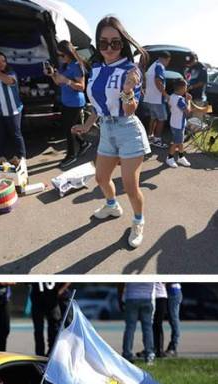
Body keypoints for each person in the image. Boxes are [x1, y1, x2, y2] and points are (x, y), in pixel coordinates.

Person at [72, 16, 151, 249]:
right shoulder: (96, 68)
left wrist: (128, 89)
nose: (109, 48)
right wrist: (87, 126)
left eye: (115, 43)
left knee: (130, 185)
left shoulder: (131, 69)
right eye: (103, 43)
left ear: (123, 43)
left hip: (128, 129)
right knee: (101, 178)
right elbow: (99, 105)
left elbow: (129, 109)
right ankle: (112, 206)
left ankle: (138, 221)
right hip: (106, 129)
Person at [49, 41, 90, 167]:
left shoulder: (77, 65)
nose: (60, 58)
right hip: (66, 102)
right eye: (58, 56)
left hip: (75, 103)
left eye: (62, 55)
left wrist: (67, 81)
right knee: (73, 128)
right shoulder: (64, 66)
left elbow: (81, 87)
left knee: (68, 129)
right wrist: (52, 75)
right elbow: (58, 83)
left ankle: (71, 155)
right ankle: (83, 144)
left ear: (69, 53)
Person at [0, 51, 25, 166]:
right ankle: (0, 160)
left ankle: (22, 159)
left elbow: (8, 81)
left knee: (16, 135)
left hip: (13, 111)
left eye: (3, 61)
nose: (1, 63)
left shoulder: (11, 73)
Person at [165, 79, 206, 168]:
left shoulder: (172, 96)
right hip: (178, 124)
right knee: (177, 142)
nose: (187, 88)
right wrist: (188, 101)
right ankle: (169, 158)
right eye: (186, 87)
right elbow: (188, 112)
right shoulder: (180, 100)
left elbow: (170, 106)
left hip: (174, 122)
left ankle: (181, 157)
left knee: (180, 141)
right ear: (183, 88)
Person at [119, 282, 157, 364]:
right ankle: (149, 354)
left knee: (130, 328)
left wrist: (120, 298)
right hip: (147, 297)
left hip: (131, 297)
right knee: (147, 328)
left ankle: (127, 354)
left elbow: (121, 283)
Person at [29, 282, 69, 356]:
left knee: (54, 327)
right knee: (39, 329)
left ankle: (52, 352)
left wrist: (60, 292)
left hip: (52, 299)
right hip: (38, 299)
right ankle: (40, 354)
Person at [143, 51, 170, 148]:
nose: (167, 64)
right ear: (166, 59)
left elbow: (145, 82)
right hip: (157, 99)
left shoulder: (152, 66)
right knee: (162, 119)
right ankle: (157, 140)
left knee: (153, 118)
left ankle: (150, 137)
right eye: (168, 61)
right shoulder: (160, 66)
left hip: (150, 98)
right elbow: (158, 81)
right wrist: (165, 94)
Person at [165, 283, 182, 356]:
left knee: (174, 319)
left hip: (173, 291)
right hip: (169, 291)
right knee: (172, 319)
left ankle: (173, 347)